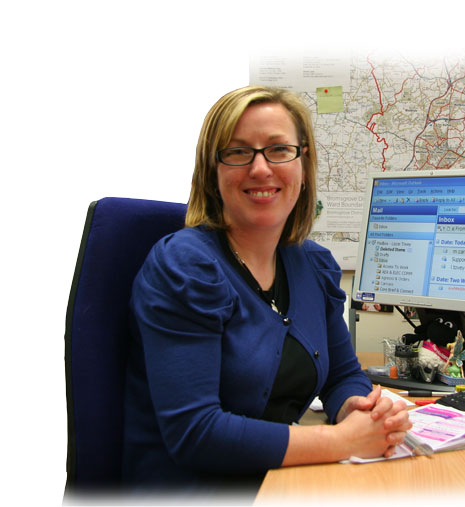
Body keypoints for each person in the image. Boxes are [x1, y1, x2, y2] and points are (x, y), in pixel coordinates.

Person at [122, 85, 411, 499]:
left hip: (278, 481)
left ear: (302, 162)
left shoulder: (312, 265)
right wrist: (344, 441)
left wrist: (361, 411)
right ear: (212, 170)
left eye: (278, 149)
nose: (261, 169)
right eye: (238, 151)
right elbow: (195, 432)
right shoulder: (185, 268)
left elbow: (343, 376)